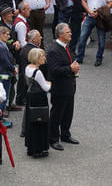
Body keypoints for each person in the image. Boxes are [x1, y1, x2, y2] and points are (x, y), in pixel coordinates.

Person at [47, 23, 80, 151]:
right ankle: (53, 139)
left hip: (70, 85)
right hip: (60, 88)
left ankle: (65, 134)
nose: (70, 34)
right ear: (60, 35)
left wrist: (74, 68)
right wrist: (70, 68)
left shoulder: (66, 47)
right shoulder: (53, 50)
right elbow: (54, 70)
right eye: (68, 32)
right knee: (57, 114)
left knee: (68, 112)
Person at [76, 0, 112, 66]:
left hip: (101, 18)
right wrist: (89, 11)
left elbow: (110, 2)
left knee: (101, 40)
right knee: (83, 37)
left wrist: (101, 11)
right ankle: (79, 57)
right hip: (89, 16)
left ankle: (99, 58)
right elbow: (83, 0)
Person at [24, 48, 50, 158]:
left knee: (32, 122)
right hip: (39, 99)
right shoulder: (38, 72)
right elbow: (45, 87)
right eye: (42, 56)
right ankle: (39, 149)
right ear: (37, 59)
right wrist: (50, 84)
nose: (44, 58)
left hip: (31, 97)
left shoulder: (27, 68)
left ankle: (32, 148)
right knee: (40, 122)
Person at [0, 27, 17, 118]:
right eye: (7, 34)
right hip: (3, 74)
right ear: (1, 34)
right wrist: (13, 68)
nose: (9, 36)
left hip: (2, 73)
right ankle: (0, 119)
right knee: (3, 97)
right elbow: (5, 62)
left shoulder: (0, 44)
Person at [16, 29, 45, 108]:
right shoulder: (34, 52)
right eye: (39, 36)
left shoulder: (25, 49)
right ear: (33, 39)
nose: (41, 38)